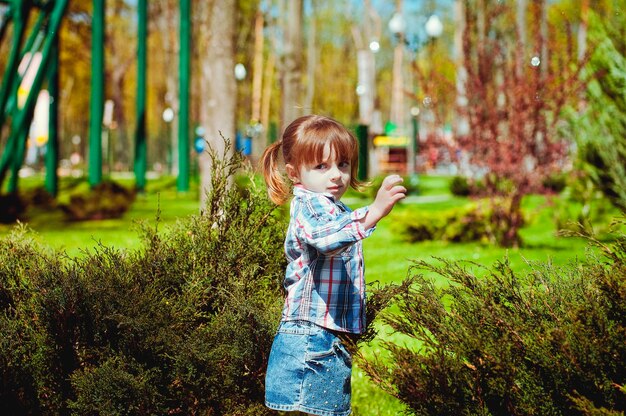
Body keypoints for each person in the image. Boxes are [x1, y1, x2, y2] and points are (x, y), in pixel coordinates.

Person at [261, 114, 406, 416]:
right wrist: (374, 212)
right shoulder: (308, 206)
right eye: (321, 167)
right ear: (294, 172)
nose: (336, 175)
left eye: (343, 164)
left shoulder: (333, 208)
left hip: (324, 338)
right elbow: (324, 238)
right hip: (310, 342)